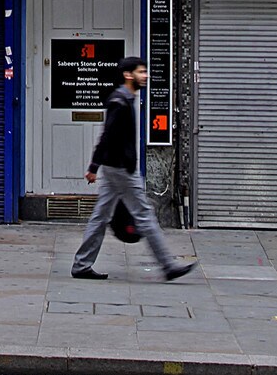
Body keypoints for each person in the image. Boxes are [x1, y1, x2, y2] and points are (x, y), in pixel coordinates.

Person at [71, 56, 194, 283]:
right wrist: (93, 166)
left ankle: (81, 264)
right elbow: (107, 136)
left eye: (145, 71)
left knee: (100, 216)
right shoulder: (120, 101)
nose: (145, 76)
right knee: (145, 215)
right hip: (121, 169)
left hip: (113, 167)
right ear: (128, 75)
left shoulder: (127, 99)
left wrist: (97, 166)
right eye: (141, 72)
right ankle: (168, 265)